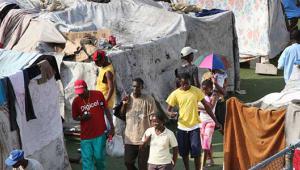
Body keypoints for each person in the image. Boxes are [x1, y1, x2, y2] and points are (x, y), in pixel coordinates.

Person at [166, 74, 221, 170]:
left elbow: (207, 106)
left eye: (187, 84)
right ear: (180, 83)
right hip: (181, 127)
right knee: (184, 153)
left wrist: (216, 121)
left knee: (196, 152)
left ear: (190, 82)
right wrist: (171, 114)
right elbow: (168, 110)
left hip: (195, 127)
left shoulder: (196, 91)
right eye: (183, 84)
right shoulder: (175, 94)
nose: (185, 86)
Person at [72, 79, 115, 170]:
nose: (80, 95)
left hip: (99, 134)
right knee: (87, 161)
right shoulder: (76, 102)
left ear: (86, 88)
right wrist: (82, 118)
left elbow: (106, 110)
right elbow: (75, 117)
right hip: (85, 137)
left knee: (99, 159)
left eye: (82, 92)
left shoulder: (98, 95)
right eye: (78, 93)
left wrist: (112, 126)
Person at [120, 78, 157, 170]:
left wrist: (149, 138)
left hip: (144, 139)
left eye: (138, 86)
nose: (135, 88)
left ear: (142, 87)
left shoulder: (148, 99)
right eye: (134, 86)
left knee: (143, 166)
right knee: (128, 162)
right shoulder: (127, 98)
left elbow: (153, 119)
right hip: (130, 139)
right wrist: (124, 104)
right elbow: (121, 115)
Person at [199, 79, 218, 168]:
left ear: (211, 88)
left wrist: (199, 107)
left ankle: (203, 166)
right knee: (206, 143)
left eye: (206, 89)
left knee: (205, 144)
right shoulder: (201, 95)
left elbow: (210, 107)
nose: (204, 91)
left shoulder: (214, 95)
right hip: (201, 121)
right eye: (203, 89)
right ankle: (211, 159)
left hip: (210, 122)